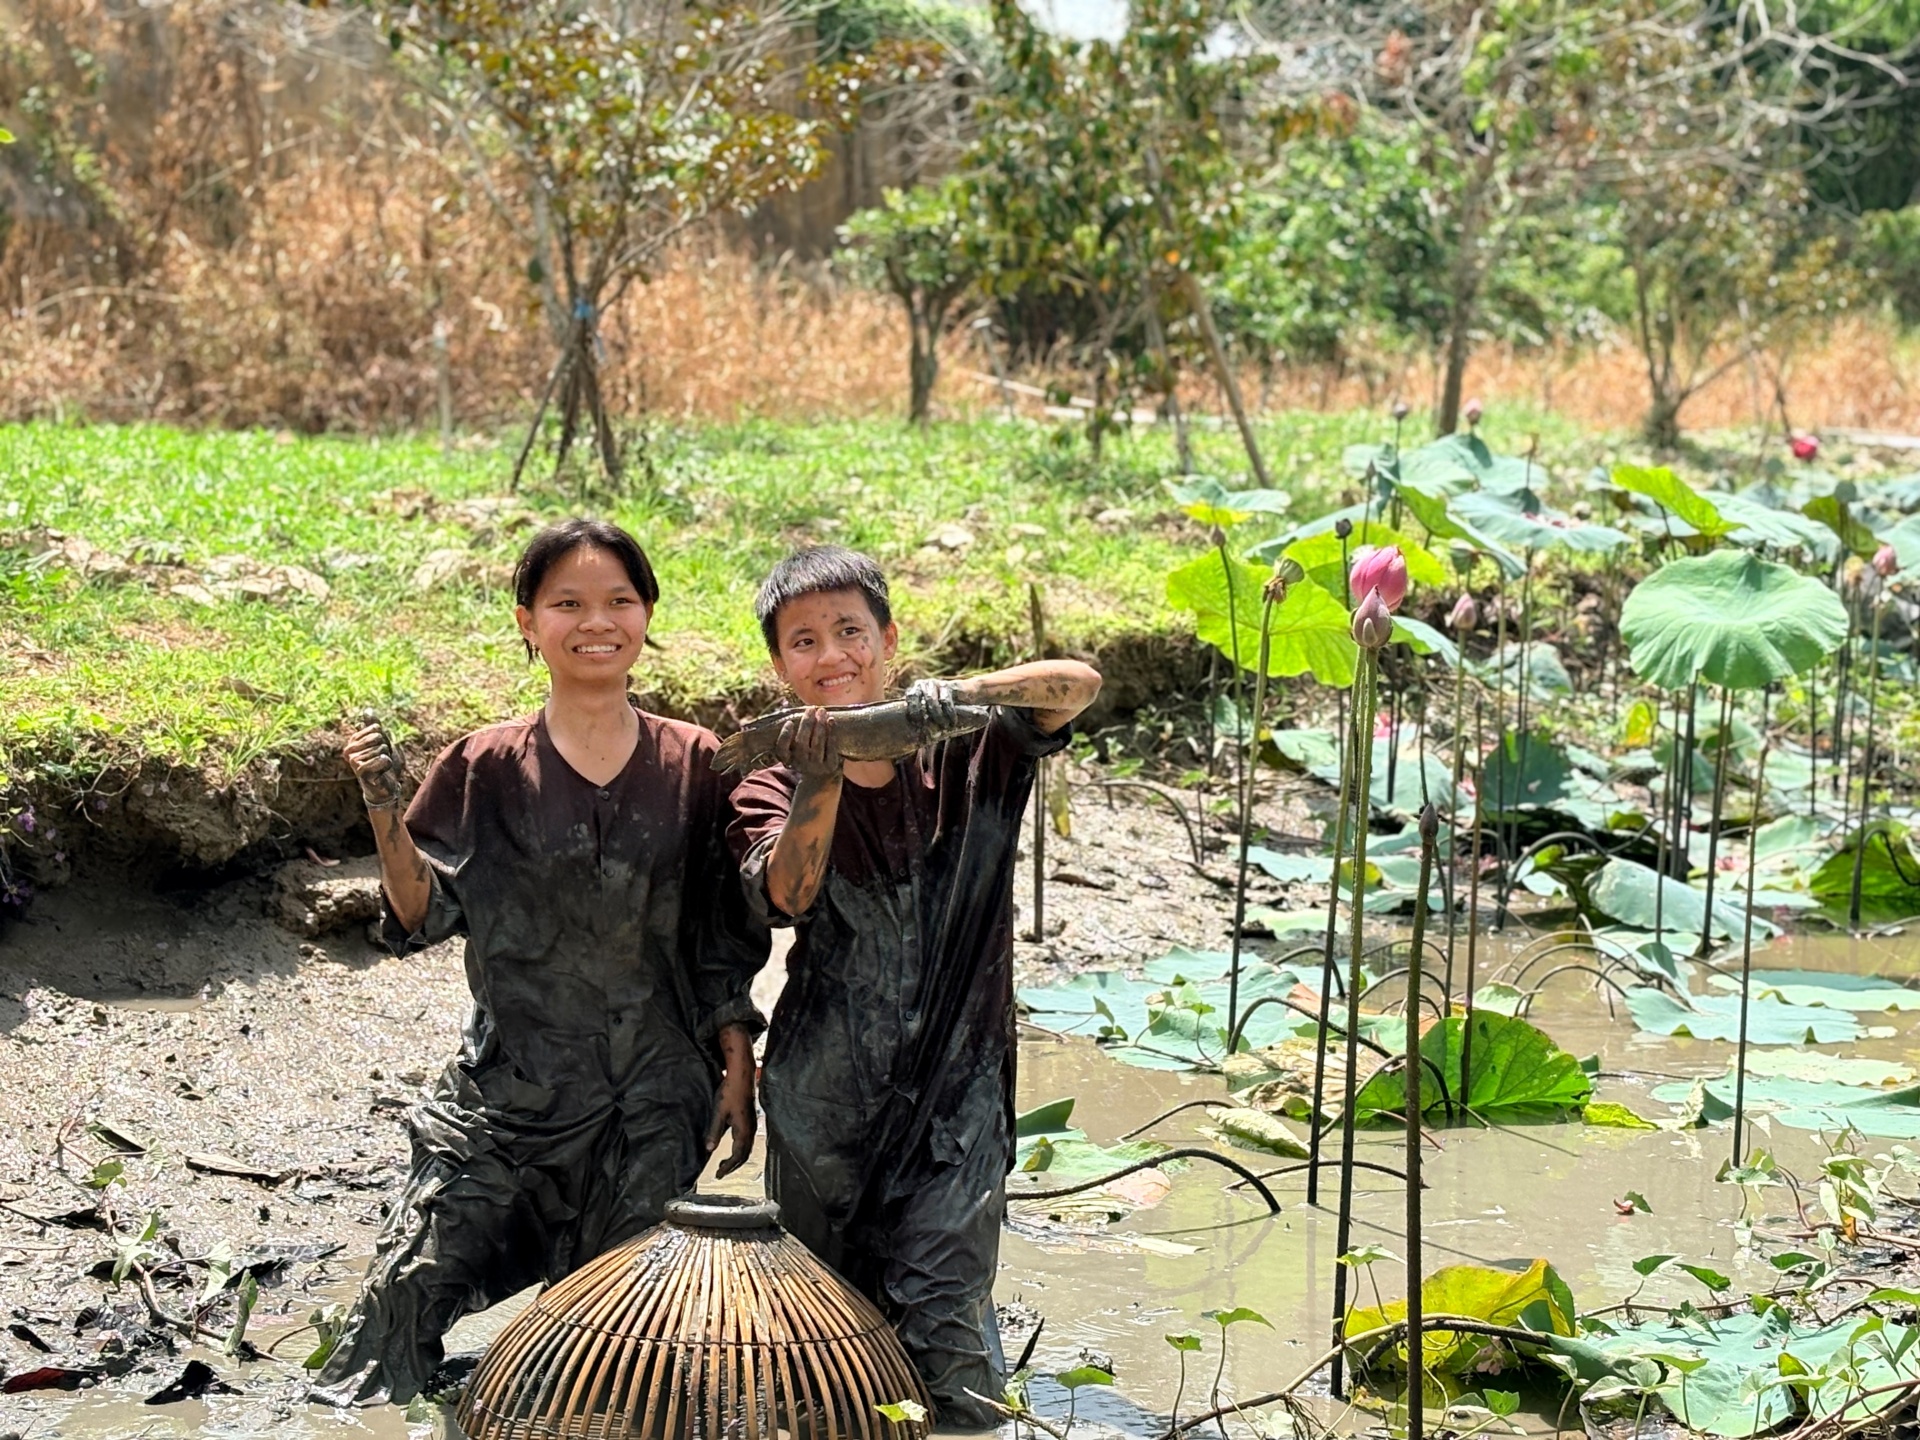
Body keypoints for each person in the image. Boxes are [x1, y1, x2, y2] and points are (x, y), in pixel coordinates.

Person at [314, 518, 768, 1407]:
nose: (595, 621)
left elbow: (723, 941)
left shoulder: (698, 762)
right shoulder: (484, 763)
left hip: (651, 1102)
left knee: (623, 1364)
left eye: (619, 602)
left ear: (646, 615)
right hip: (506, 1101)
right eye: (567, 603)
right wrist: (380, 811)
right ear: (528, 622)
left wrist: (737, 1065)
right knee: (389, 1333)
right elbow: (418, 913)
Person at [727, 545, 1101, 1425]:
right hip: (825, 1103)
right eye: (805, 641)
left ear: (888, 640)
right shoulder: (768, 776)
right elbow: (788, 892)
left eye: (851, 631)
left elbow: (1075, 683)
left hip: (958, 1100)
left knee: (950, 1343)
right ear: (782, 668)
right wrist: (821, 775)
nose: (833, 657)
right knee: (820, 1353)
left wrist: (961, 698)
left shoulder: (974, 750)